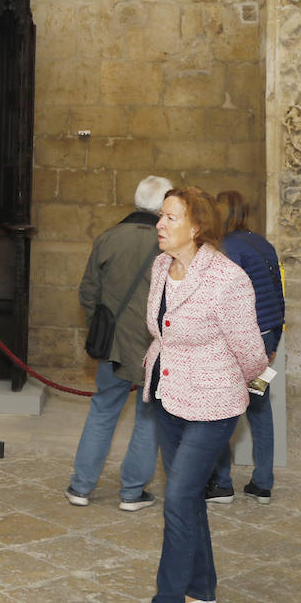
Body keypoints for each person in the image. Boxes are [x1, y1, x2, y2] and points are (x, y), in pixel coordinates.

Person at [129, 186, 267, 603]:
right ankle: (201, 594)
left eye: (171, 218)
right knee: (185, 498)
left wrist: (247, 387)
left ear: (197, 228)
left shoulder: (227, 278)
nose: (160, 225)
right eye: (161, 216)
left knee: (176, 497)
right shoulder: (160, 267)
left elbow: (252, 353)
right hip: (169, 396)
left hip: (214, 404)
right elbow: (160, 331)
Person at [65, 175, 172, 512]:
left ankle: (80, 487)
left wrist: (105, 322)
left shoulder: (108, 237)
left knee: (102, 410)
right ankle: (132, 492)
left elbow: (88, 293)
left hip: (112, 346)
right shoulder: (167, 242)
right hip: (152, 346)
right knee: (148, 417)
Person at [204, 190, 285, 505]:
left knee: (222, 409)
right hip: (264, 338)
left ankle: (221, 484)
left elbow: (224, 303)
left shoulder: (225, 249)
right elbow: (279, 296)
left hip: (238, 341)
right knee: (260, 408)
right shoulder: (264, 244)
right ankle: (263, 483)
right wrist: (273, 341)